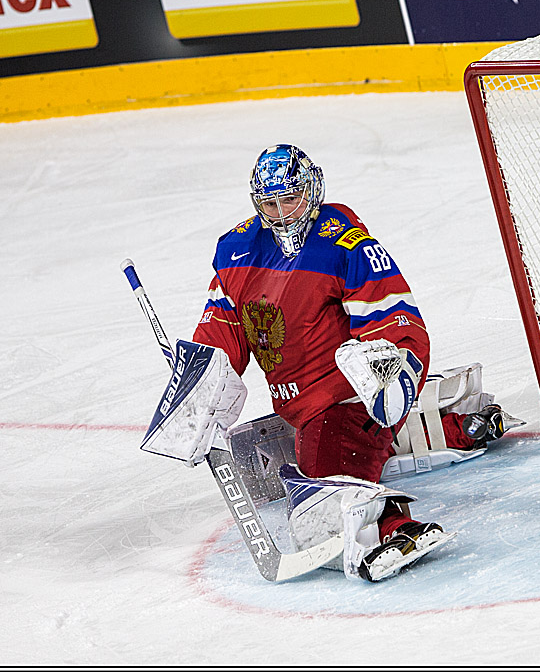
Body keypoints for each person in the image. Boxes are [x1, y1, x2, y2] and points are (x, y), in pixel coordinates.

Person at [190, 144, 507, 580]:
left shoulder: (342, 241)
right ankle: (455, 426)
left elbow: (394, 315)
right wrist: (197, 389)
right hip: (300, 405)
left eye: (290, 198)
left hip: (347, 396)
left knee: (323, 469)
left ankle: (396, 528)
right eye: (270, 202)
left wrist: (392, 373)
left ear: (312, 191)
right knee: (337, 446)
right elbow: (221, 330)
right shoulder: (236, 250)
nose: (282, 213)